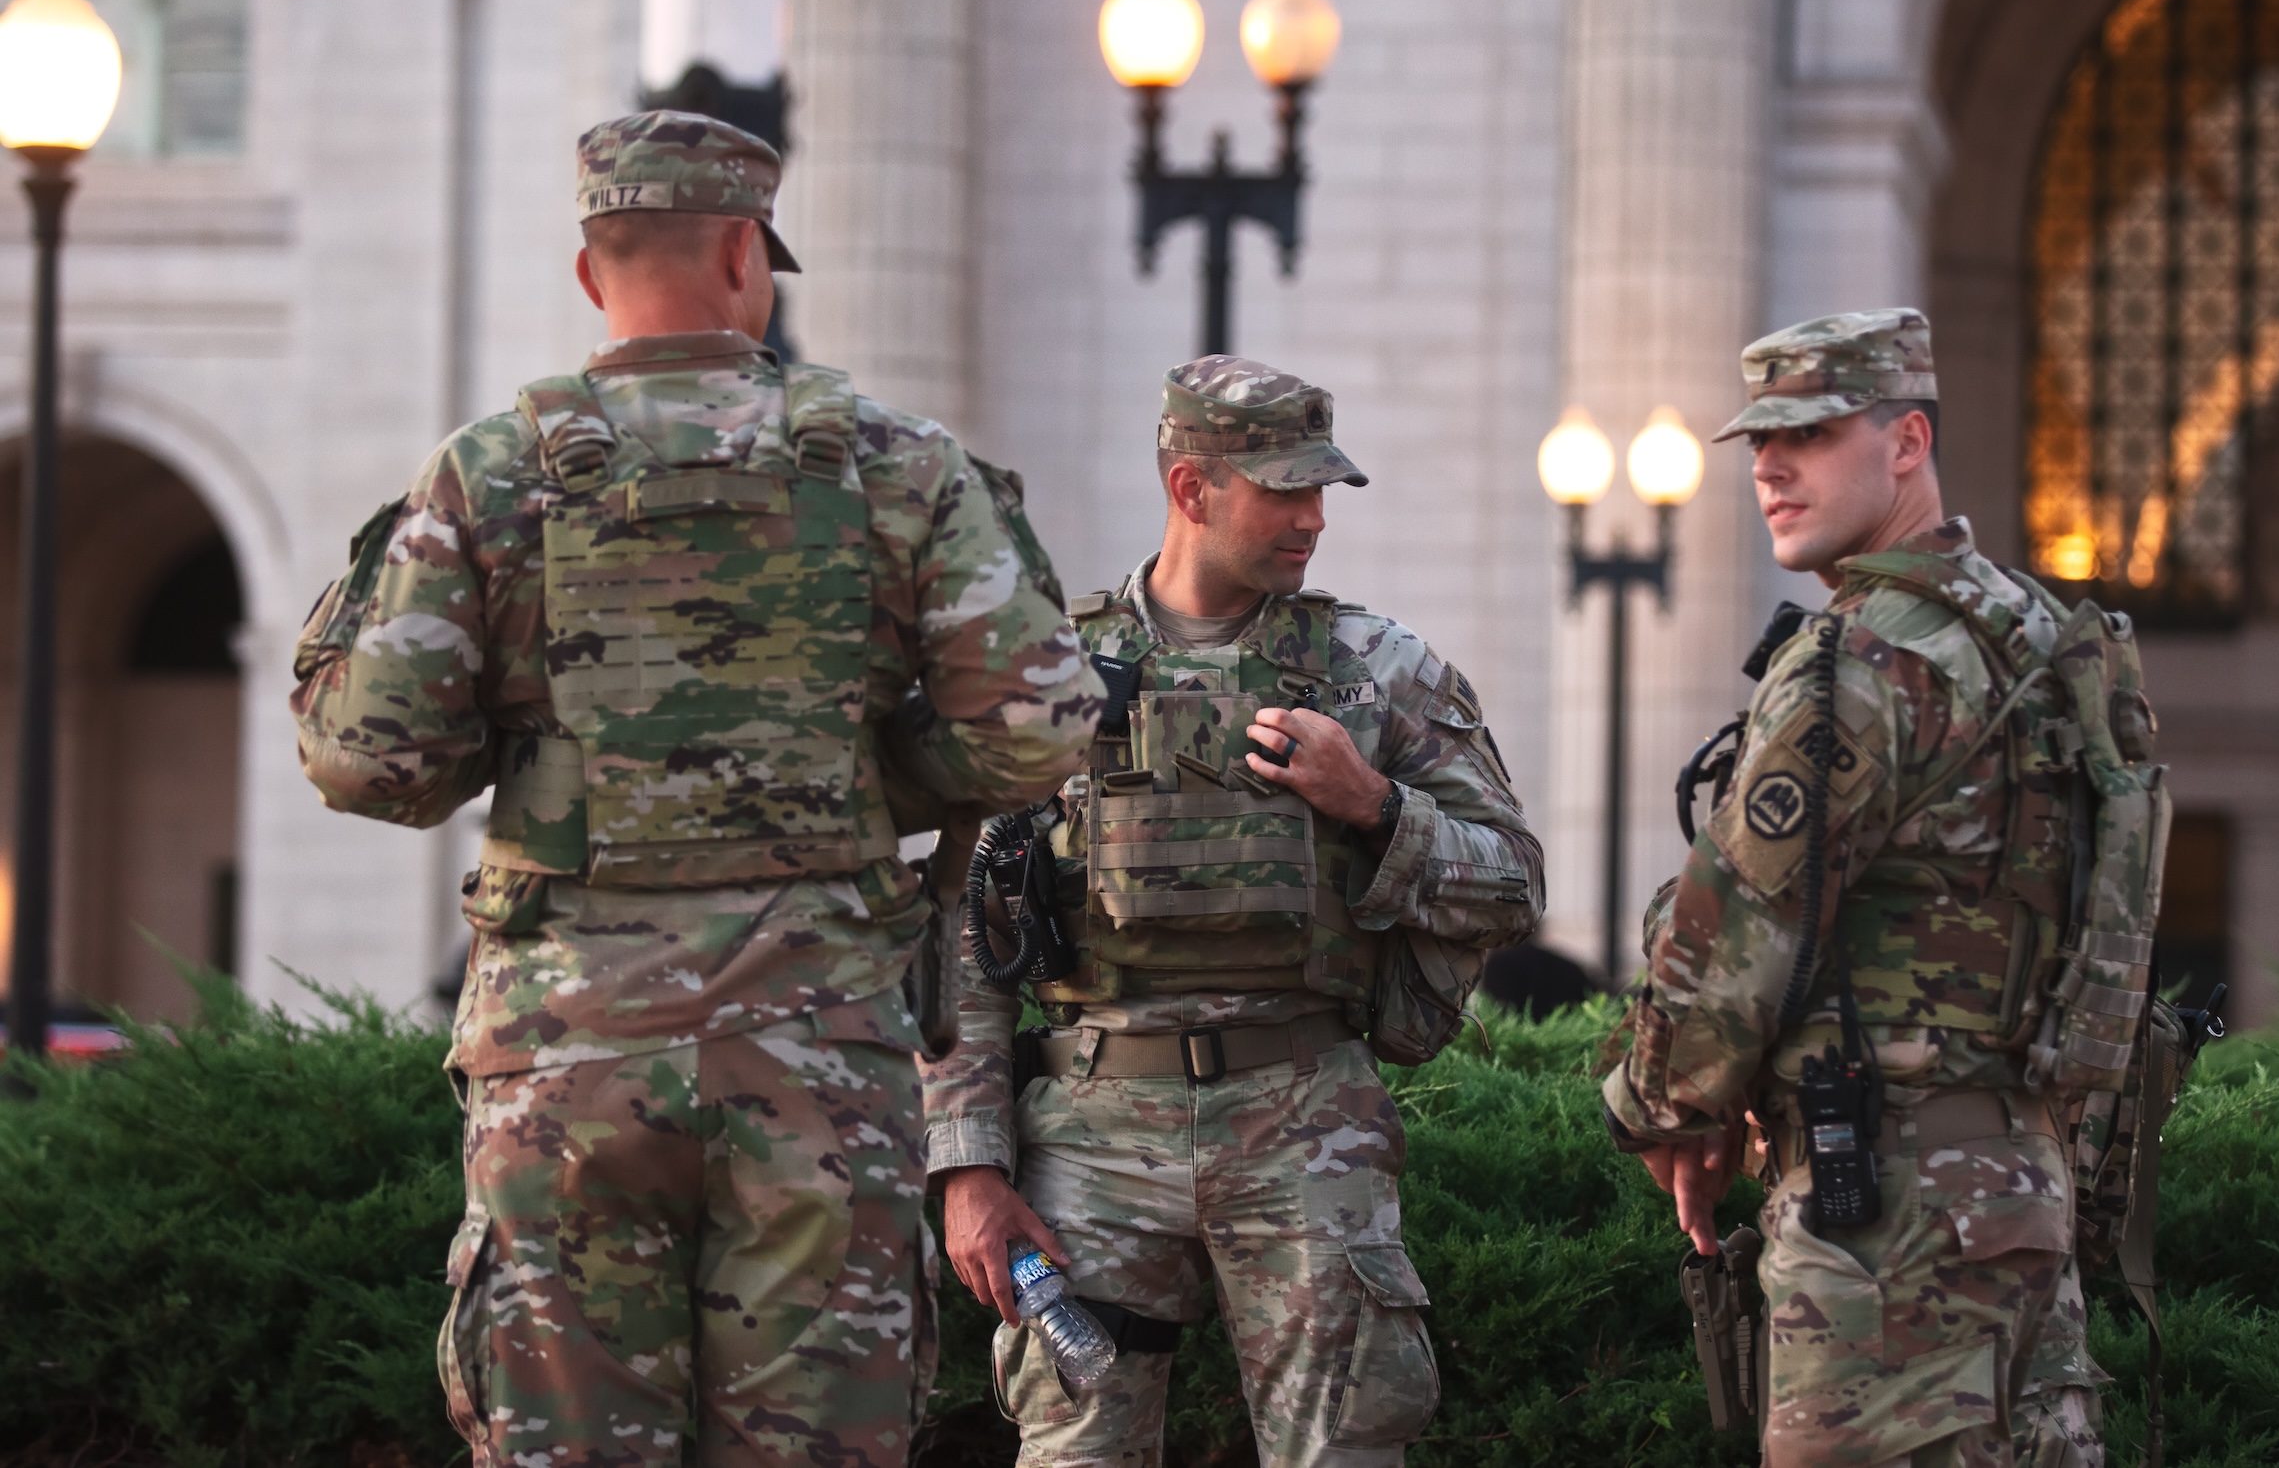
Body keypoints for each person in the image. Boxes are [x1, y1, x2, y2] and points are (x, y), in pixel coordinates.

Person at [290, 110, 1102, 1467]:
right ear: (742, 253)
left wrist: (544, 755)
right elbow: (1039, 727)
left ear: (589, 270)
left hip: (568, 1055)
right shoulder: (897, 462)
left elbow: (370, 760)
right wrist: (856, 772)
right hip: (820, 1047)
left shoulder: (488, 472)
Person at [922, 356, 1545, 1467]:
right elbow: (965, 936)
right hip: (1091, 1136)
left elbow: (1513, 883)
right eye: (1285, 488)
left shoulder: (1375, 668)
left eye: (1322, 490)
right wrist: (968, 1166)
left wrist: (1376, 805)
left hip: (1307, 1120)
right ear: (1191, 487)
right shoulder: (1055, 671)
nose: (1314, 518)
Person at [1602, 309, 2110, 1467]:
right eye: (1759, 442)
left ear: (1907, 441)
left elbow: (1730, 941)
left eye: (1812, 434)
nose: (1770, 468)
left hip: (1884, 1216)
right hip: (2022, 1186)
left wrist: (1656, 1109)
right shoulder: (2039, 638)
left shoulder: (1862, 662)